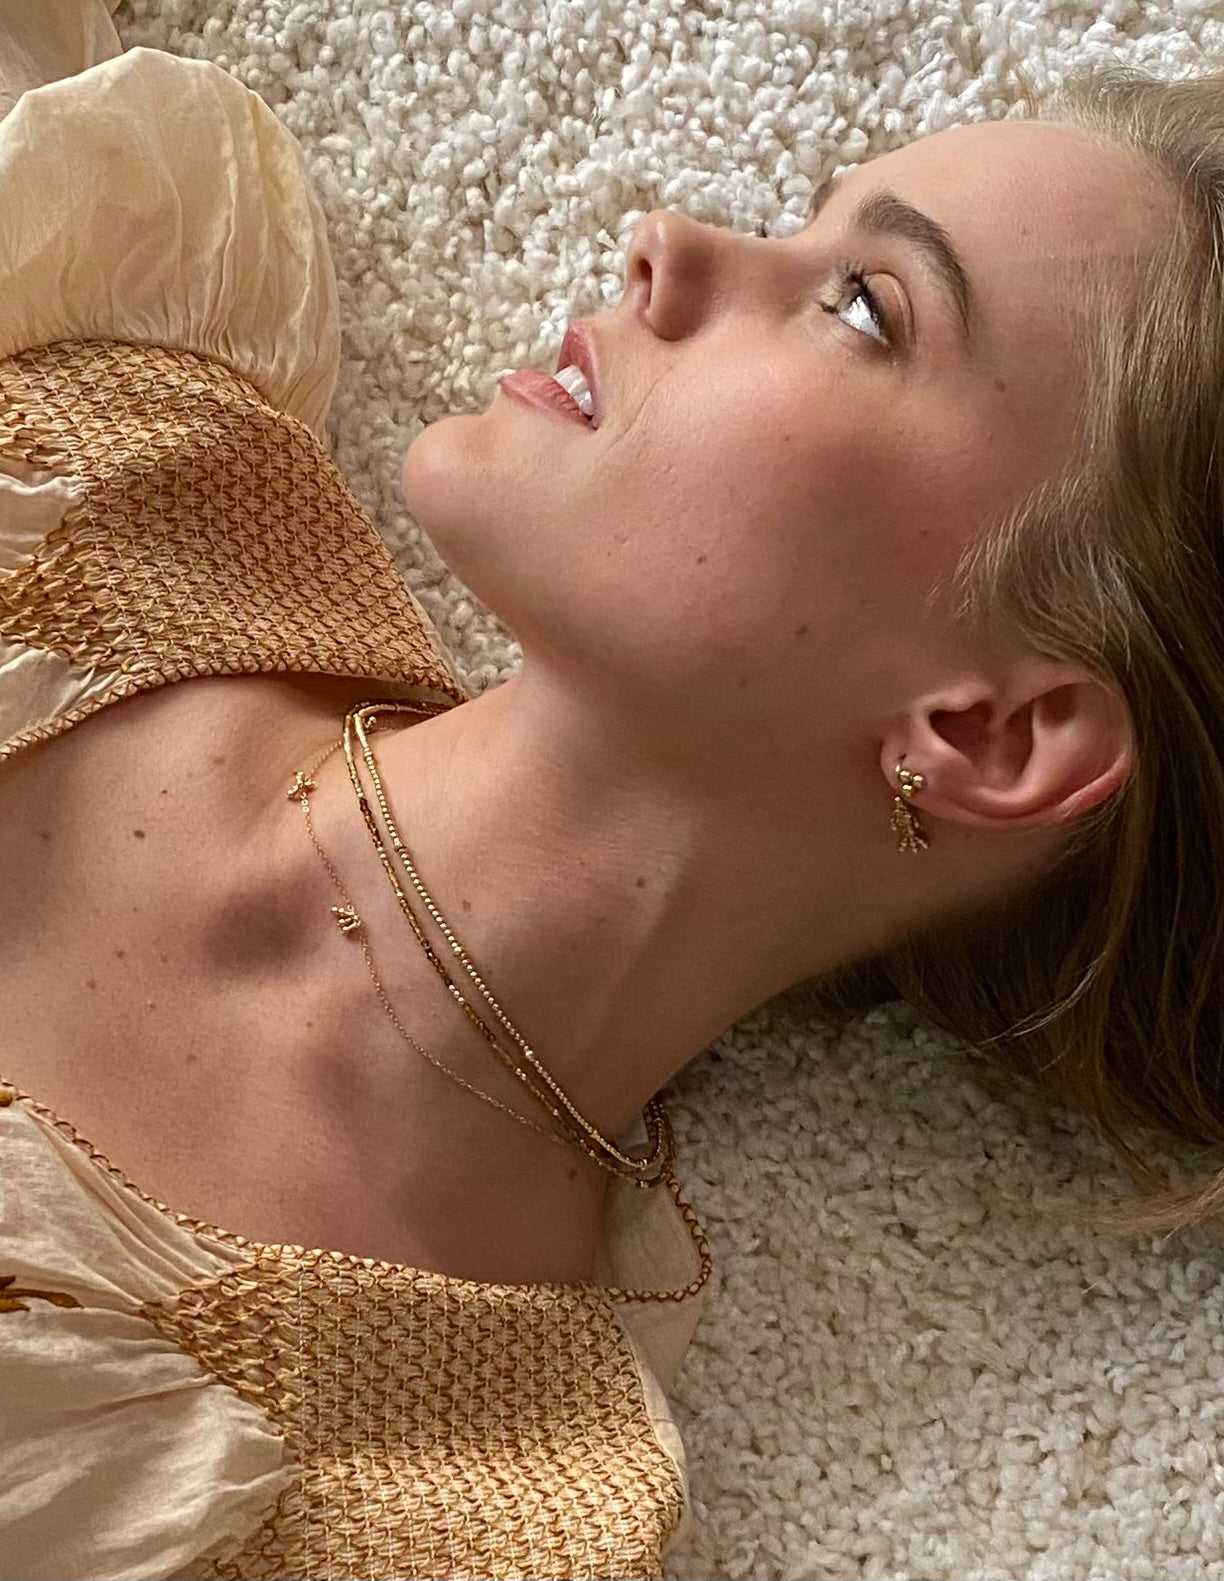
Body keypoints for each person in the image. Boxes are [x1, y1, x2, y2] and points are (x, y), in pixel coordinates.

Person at [1, 1, 1221, 1576]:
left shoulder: (451, 1505)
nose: (669, 241)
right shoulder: (104, 415)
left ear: (994, 737)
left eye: (863, 306)